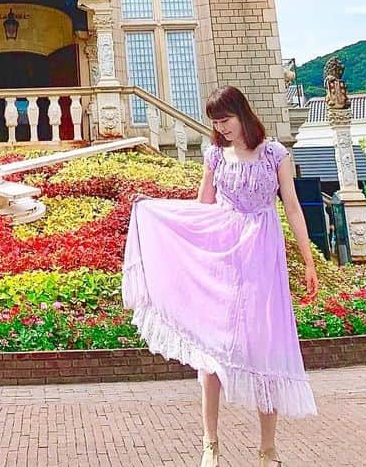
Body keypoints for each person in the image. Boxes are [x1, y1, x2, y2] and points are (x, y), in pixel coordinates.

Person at [123, 86, 318, 466]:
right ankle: (210, 443)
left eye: (225, 120)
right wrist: (154, 210)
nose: (221, 128)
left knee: (264, 347)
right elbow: (202, 207)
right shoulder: (216, 156)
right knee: (211, 350)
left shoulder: (275, 155)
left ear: (241, 114)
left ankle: (268, 448)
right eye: (216, 123)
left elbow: (292, 209)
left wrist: (308, 261)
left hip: (262, 256)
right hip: (223, 255)